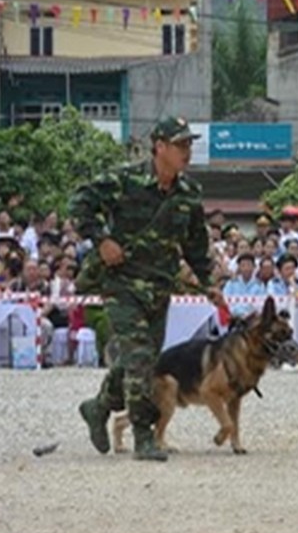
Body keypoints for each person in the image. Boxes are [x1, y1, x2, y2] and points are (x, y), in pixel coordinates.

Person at [73, 116, 225, 462]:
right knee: (141, 358)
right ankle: (144, 436)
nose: (187, 151)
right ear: (160, 147)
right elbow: (80, 202)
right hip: (122, 285)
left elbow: (196, 246)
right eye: (180, 144)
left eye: (189, 144)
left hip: (158, 288)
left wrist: (208, 284)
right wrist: (102, 240)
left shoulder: (188, 194)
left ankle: (97, 408)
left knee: (139, 360)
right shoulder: (124, 180)